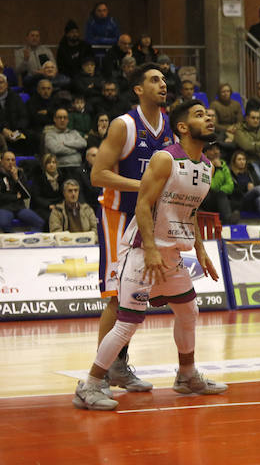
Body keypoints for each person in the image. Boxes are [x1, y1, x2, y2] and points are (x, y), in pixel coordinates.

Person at [72, 100, 226, 411]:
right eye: (199, 115)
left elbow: (190, 212)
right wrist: (152, 249)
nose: (207, 118)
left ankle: (186, 376)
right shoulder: (165, 159)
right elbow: (143, 204)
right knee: (129, 321)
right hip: (143, 251)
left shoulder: (207, 167)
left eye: (208, 114)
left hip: (172, 254)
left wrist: (200, 248)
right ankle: (89, 384)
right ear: (182, 127)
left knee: (188, 311)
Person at [91, 62, 174, 394]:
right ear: (139, 90)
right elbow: (98, 175)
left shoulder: (167, 126)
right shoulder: (123, 125)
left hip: (146, 219)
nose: (163, 84)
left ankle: (120, 366)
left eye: (165, 80)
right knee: (116, 298)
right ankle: (101, 373)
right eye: (154, 80)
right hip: (118, 217)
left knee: (135, 298)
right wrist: (140, 184)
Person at [229, 150, 260, 223]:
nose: (242, 161)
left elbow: (259, 183)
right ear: (234, 161)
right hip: (241, 201)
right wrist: (246, 187)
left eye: (244, 159)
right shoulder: (230, 174)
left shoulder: (250, 170)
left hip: (253, 199)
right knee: (258, 189)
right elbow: (232, 191)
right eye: (239, 159)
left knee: (259, 199)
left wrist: (253, 188)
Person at [0, 150, 44, 232]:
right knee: (4, 223)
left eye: (13, 160)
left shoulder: (20, 173)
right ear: (1, 161)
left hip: (19, 207)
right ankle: (13, 242)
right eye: (8, 160)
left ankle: (31, 241)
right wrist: (15, 196)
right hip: (4, 207)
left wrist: (16, 179)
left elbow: (27, 194)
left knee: (39, 222)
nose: (10, 162)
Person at [44, 107, 88, 181]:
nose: (62, 120)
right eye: (59, 117)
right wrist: (76, 149)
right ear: (54, 119)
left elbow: (83, 143)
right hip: (61, 168)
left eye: (65, 118)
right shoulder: (49, 134)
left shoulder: (74, 133)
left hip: (78, 167)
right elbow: (56, 150)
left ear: (68, 120)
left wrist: (65, 143)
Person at [199, 142, 236, 225]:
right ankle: (228, 222)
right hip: (205, 199)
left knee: (227, 198)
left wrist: (220, 191)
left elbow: (230, 185)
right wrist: (218, 169)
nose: (216, 152)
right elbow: (212, 186)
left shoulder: (223, 164)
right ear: (205, 152)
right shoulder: (202, 165)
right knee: (221, 195)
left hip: (219, 198)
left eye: (217, 149)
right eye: (212, 149)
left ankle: (228, 220)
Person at [0, 73, 31, 154]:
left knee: (32, 136)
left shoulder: (16, 98)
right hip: (1, 133)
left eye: (1, 82)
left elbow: (24, 117)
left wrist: (16, 132)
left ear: (6, 84)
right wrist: (3, 130)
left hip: (17, 132)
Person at [30, 153, 64, 225]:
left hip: (58, 204)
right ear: (44, 165)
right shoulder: (38, 178)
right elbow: (36, 197)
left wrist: (61, 204)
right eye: (49, 163)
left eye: (53, 162)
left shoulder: (62, 177)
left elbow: (64, 194)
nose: (51, 165)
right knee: (51, 217)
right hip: (43, 206)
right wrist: (48, 205)